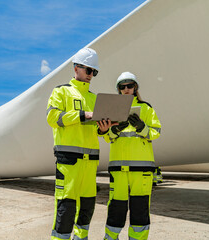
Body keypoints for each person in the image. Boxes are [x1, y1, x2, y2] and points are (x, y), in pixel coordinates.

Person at [47, 47, 114, 240]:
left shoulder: (95, 98)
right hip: (69, 161)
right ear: (76, 68)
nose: (92, 75)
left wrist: (103, 128)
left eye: (95, 72)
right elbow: (52, 118)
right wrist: (84, 115)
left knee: (87, 207)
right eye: (89, 70)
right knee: (65, 207)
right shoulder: (61, 92)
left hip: (90, 162)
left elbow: (97, 131)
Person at [98, 71, 161, 240]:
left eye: (129, 85)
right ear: (118, 89)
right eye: (122, 86)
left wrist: (142, 128)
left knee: (140, 209)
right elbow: (106, 137)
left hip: (142, 169)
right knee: (116, 208)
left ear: (135, 87)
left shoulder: (146, 108)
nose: (126, 89)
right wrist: (115, 129)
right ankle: (110, 237)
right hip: (118, 169)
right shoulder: (112, 110)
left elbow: (156, 132)